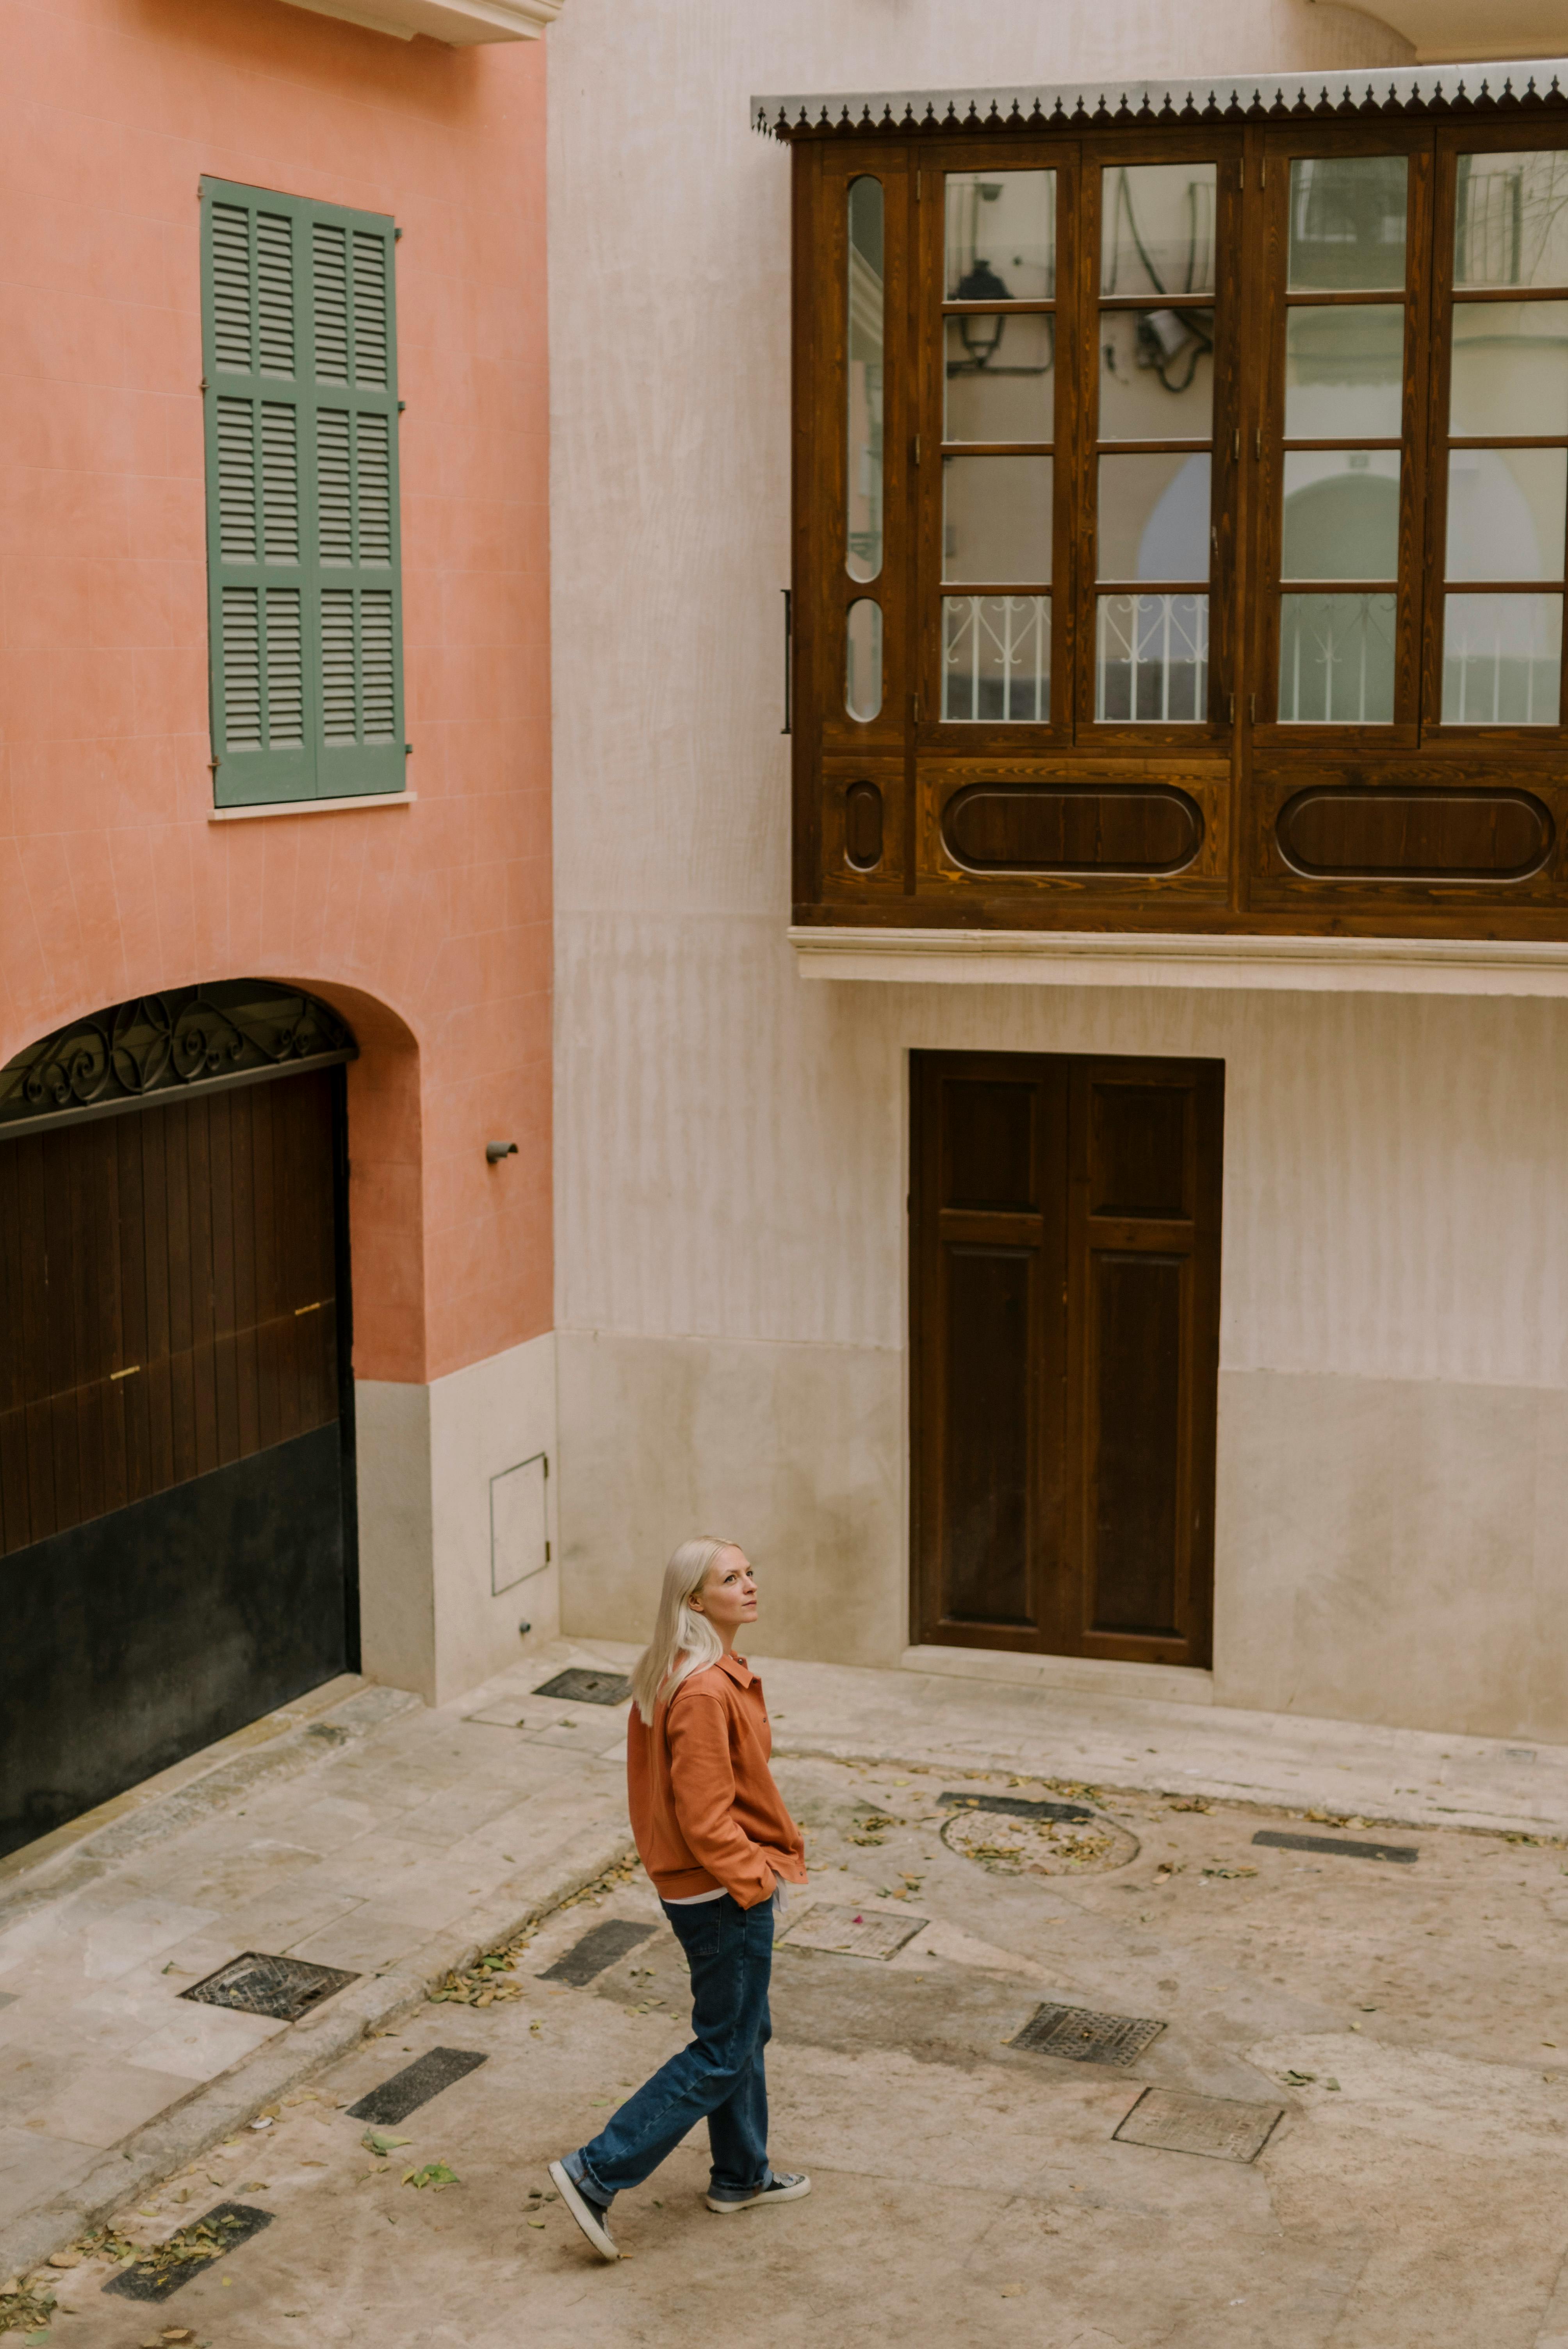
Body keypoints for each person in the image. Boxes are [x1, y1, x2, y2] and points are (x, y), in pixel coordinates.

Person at [549, 1536, 811, 2260]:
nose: (751, 1584)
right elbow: (704, 1815)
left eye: (751, 1571)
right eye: (732, 1578)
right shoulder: (701, 1688)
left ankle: (741, 2175)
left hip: (711, 1887)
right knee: (724, 2047)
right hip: (722, 1892)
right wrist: (754, 1881)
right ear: (696, 1600)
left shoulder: (691, 1671)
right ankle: (596, 2172)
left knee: (742, 2031)